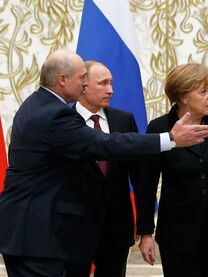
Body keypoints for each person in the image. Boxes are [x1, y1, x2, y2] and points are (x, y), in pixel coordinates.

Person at [0, 50, 208, 277]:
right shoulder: (54, 115)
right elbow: (104, 144)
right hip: (36, 234)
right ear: (62, 80)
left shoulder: (36, 104)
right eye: (82, 78)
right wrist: (170, 139)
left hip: (36, 232)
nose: (85, 85)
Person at [137, 63, 208, 277]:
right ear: (183, 96)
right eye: (203, 91)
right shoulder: (159, 129)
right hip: (178, 232)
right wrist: (145, 232)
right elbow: (146, 185)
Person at [65, 60, 143, 277]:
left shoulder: (124, 120)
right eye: (102, 84)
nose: (111, 90)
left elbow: (138, 176)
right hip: (74, 227)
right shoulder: (62, 120)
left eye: (111, 83)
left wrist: (145, 224)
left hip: (116, 226)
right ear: (83, 86)